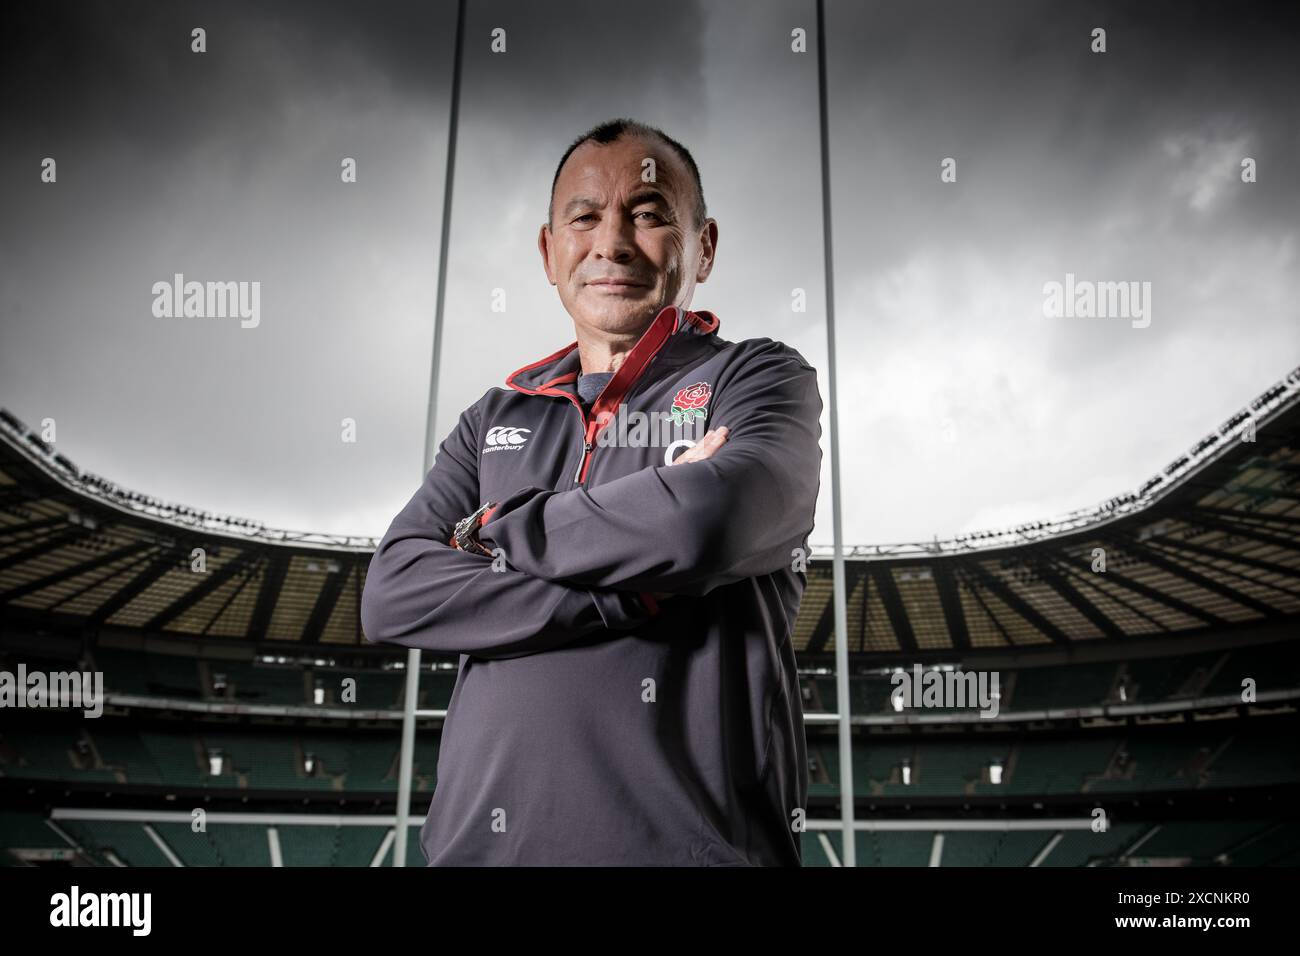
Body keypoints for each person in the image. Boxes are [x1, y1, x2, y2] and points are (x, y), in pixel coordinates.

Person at [361, 118, 823, 865]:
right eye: (584, 216)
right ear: (550, 252)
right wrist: (627, 592)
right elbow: (392, 592)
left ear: (703, 245)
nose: (611, 242)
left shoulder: (758, 378)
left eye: (647, 213)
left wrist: (492, 531)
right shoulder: (494, 417)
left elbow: (705, 524)